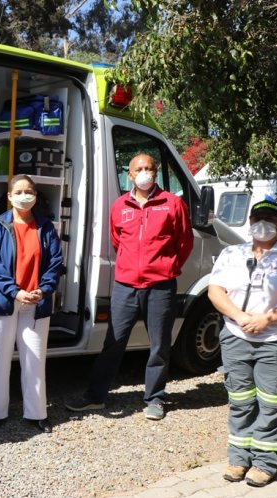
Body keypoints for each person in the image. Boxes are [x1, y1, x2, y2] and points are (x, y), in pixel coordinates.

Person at [66, 152, 193, 420]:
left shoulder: (172, 204)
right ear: (130, 174)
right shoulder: (119, 206)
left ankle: (155, 398)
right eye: (139, 168)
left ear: (155, 173)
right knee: (113, 342)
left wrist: (166, 266)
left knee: (159, 345)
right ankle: (95, 397)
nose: (145, 172)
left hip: (160, 286)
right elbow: (117, 241)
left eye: (149, 168)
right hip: (125, 286)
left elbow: (184, 243)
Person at [208, 198, 277, 487]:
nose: (263, 223)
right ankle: (239, 458)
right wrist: (240, 317)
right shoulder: (232, 253)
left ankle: (265, 463)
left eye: (271, 218)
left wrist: (267, 320)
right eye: (258, 218)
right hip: (236, 336)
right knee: (240, 400)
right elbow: (215, 291)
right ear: (250, 222)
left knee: (273, 403)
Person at [0, 174, 63, 433]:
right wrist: (14, 292)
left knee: (35, 360)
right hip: (2, 301)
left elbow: (55, 263)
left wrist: (44, 289)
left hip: (36, 303)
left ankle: (36, 413)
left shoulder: (46, 227)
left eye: (29, 191)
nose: (24, 195)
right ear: (9, 196)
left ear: (36, 196)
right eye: (19, 191)